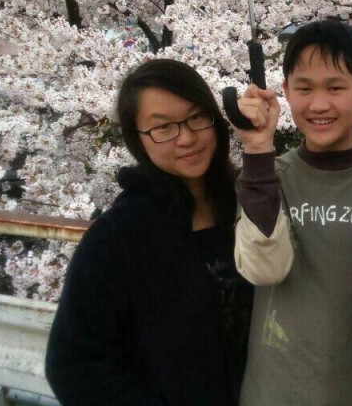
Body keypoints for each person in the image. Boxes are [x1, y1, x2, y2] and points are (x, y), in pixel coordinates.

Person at [45, 59, 256, 406]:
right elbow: (73, 365)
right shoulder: (120, 236)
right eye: (163, 128)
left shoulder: (245, 206)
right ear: (138, 139)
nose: (186, 138)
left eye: (196, 118)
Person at [234, 20, 352, 406]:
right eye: (304, 88)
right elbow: (262, 269)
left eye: (336, 87)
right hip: (270, 395)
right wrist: (258, 149)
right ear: (286, 91)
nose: (318, 104)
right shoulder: (266, 178)